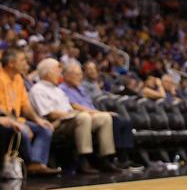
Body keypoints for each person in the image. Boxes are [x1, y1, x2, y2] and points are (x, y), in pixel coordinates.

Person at [28, 58, 120, 174]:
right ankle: (83, 158)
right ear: (48, 73)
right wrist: (73, 114)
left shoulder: (57, 90)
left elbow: (69, 109)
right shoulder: (38, 89)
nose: (60, 74)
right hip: (55, 123)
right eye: (57, 71)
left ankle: (106, 158)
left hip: (70, 119)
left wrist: (75, 113)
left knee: (104, 118)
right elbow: (51, 114)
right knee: (83, 117)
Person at [60, 61, 136, 169]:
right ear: (67, 76)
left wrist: (99, 113)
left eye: (80, 74)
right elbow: (75, 106)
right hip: (78, 117)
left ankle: (106, 157)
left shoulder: (81, 88)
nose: (80, 77)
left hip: (92, 115)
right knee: (92, 117)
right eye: (77, 74)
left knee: (108, 118)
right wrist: (99, 112)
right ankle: (84, 158)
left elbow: (91, 105)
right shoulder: (63, 89)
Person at [0, 48, 60, 176]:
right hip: (6, 120)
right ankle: (32, 164)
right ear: (11, 63)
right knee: (23, 131)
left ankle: (36, 164)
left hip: (17, 119)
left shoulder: (18, 79)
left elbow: (25, 105)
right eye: (22, 60)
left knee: (45, 129)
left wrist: (38, 120)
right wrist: (15, 122)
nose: (25, 63)